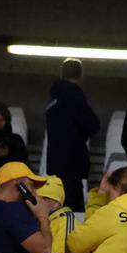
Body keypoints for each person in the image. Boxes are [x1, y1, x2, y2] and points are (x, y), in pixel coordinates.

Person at [43, 59, 99, 202]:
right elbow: (92, 124)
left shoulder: (53, 98)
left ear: (61, 74)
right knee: (73, 211)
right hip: (71, 161)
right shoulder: (73, 94)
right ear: (81, 76)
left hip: (55, 161)